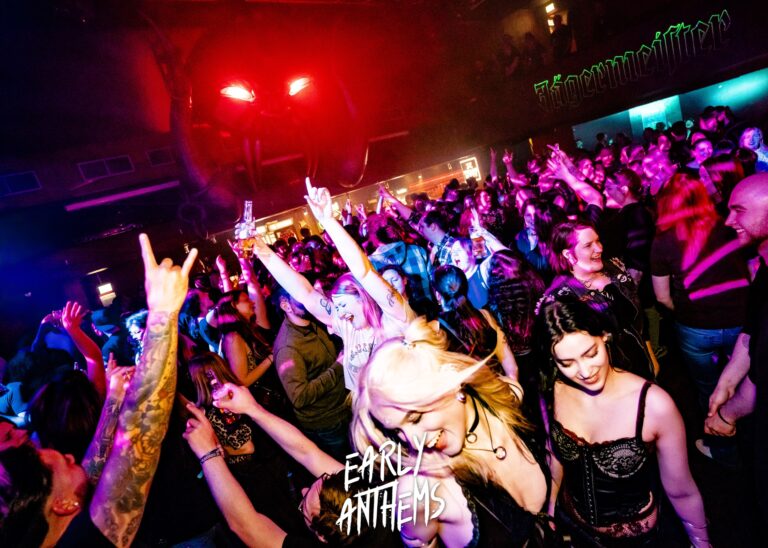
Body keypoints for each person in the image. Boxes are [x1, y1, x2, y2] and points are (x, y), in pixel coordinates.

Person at [0, 233, 197, 547]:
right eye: (64, 462)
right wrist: (162, 314)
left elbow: (98, 456)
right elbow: (140, 436)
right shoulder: (85, 542)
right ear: (63, 504)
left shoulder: (48, 521)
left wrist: (115, 397)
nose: (71, 456)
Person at [351, 318, 556, 547]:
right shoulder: (419, 492)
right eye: (397, 431)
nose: (415, 442)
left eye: (416, 418)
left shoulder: (505, 402)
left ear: (450, 381)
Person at [539, 298, 710, 547]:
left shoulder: (653, 405)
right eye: (567, 363)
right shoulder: (554, 389)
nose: (584, 371)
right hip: (574, 528)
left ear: (605, 336)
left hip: (636, 541)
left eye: (590, 354)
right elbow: (555, 455)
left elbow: (681, 491)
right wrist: (551, 509)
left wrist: (701, 542)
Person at [184, 381, 398, 547]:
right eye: (324, 479)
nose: (304, 490)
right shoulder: (368, 496)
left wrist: (208, 454)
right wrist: (252, 408)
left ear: (322, 537)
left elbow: (247, 526)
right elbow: (308, 453)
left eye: (304, 507)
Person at [252, 180, 412, 390]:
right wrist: (261, 251)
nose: (340, 313)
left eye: (343, 305)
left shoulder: (394, 318)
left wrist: (327, 220)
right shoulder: (348, 326)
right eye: (337, 307)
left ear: (362, 296)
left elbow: (364, 271)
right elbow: (305, 293)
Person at [705, 174, 768, 523]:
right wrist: (726, 382)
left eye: (739, 211)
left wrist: (727, 415)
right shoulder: (763, 269)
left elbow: (760, 377)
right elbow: (750, 333)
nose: (729, 221)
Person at [545, 220, 654, 379]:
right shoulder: (561, 297)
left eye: (598, 241)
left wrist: (650, 355)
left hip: (640, 361)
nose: (599, 248)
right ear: (568, 254)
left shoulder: (615, 267)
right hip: (606, 375)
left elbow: (638, 317)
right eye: (588, 245)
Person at [271, 286, 350, 462]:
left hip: (342, 406)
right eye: (301, 296)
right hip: (327, 422)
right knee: (349, 467)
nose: (310, 299)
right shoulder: (288, 348)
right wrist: (338, 366)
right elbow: (299, 396)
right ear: (286, 305)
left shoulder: (314, 320)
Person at [432, 265, 518, 380]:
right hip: (498, 386)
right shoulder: (485, 316)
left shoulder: (434, 331)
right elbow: (512, 369)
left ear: (438, 295)